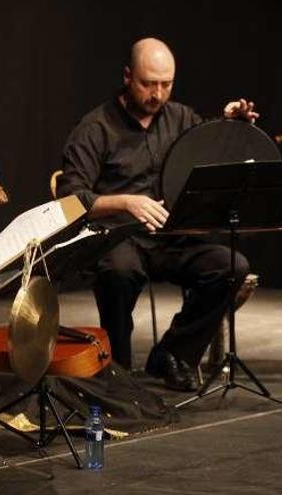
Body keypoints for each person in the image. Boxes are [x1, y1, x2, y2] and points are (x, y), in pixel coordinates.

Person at [57, 37, 256, 391]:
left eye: (166, 84)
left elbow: (207, 150)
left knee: (231, 265)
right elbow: (70, 198)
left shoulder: (180, 118)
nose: (157, 94)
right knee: (119, 271)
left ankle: (172, 354)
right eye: (148, 84)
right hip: (121, 237)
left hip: (171, 237)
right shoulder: (95, 128)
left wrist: (230, 126)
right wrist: (126, 202)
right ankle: (116, 369)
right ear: (128, 76)